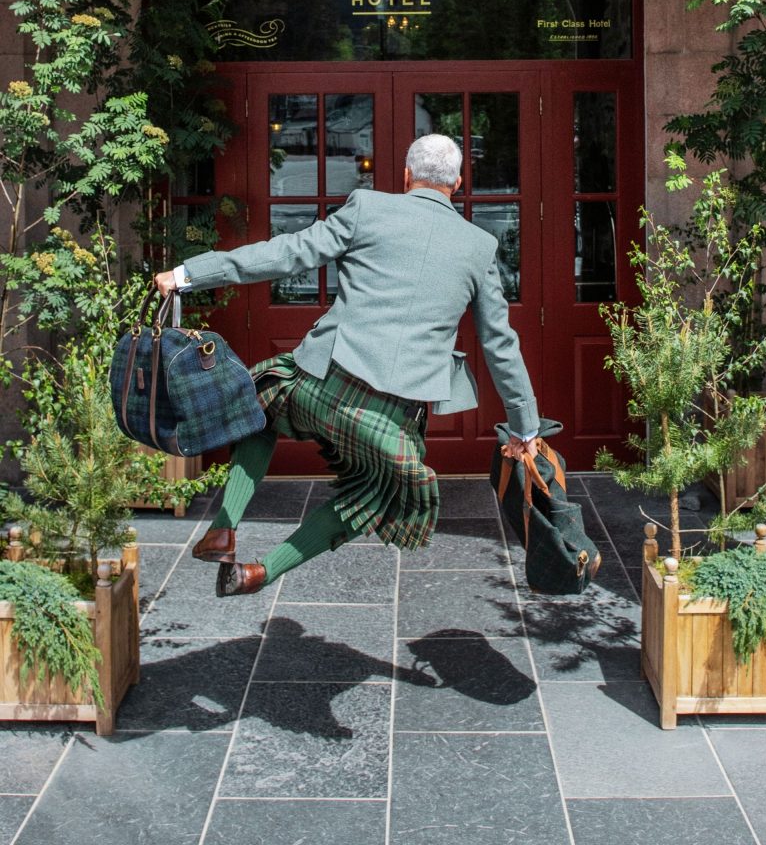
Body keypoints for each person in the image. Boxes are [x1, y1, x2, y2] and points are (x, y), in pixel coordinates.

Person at [154, 133, 539, 598]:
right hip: (390, 416)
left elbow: (285, 253)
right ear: (459, 182)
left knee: (260, 404)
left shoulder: (366, 209)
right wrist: (525, 427)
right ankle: (261, 573)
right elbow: (501, 345)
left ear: (405, 175)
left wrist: (188, 274)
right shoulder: (478, 247)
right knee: (370, 499)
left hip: (321, 380)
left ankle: (223, 527)